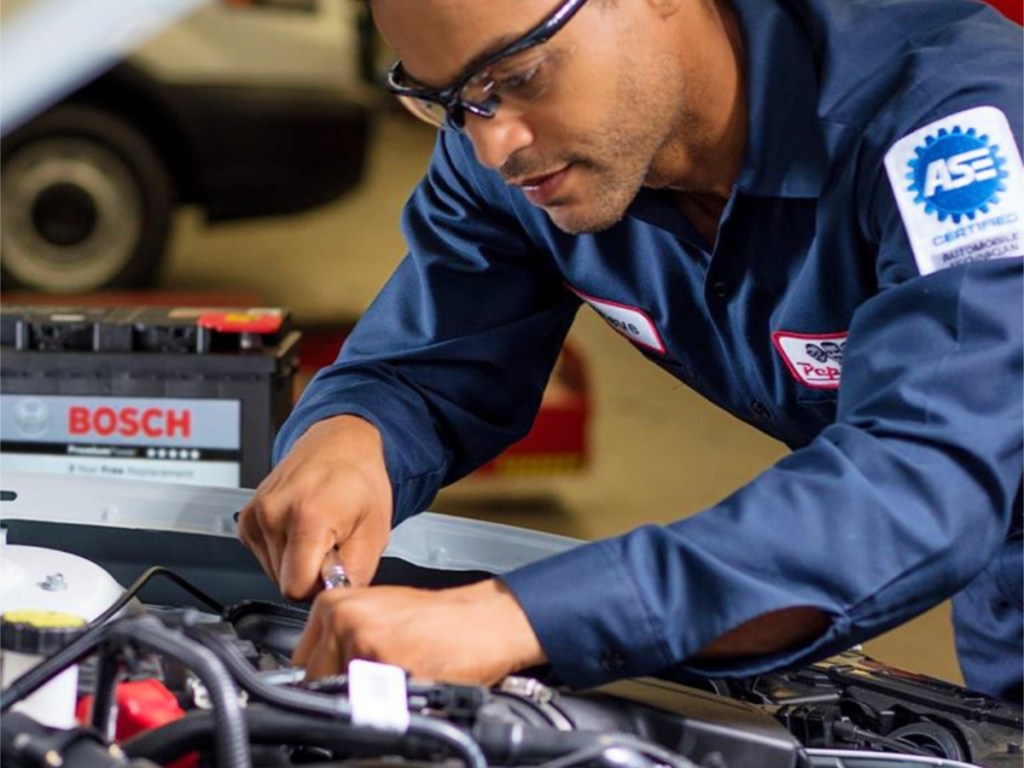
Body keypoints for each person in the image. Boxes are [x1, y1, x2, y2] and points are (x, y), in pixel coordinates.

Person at [237, 0, 1024, 703]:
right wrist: (351, 436)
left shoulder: (957, 124)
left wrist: (516, 619)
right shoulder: (516, 160)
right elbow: (426, 364)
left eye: (521, 74)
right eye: (446, 101)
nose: (492, 145)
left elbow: (922, 471)